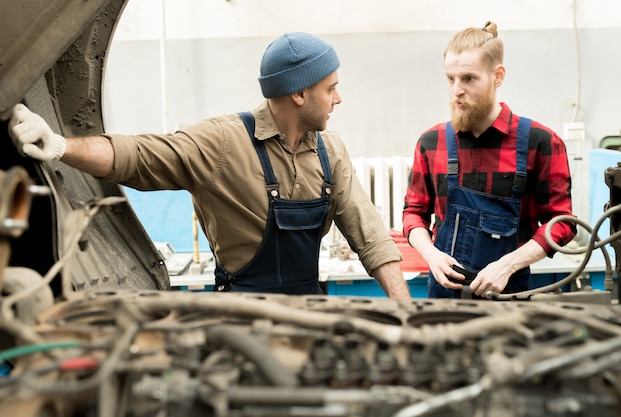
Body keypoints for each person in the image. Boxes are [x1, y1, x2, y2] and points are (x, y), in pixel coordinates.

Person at [8, 32, 411, 299]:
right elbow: (140, 155)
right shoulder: (224, 142)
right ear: (301, 93)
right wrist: (60, 144)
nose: (339, 98)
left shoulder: (331, 151)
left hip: (311, 313)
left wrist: (406, 313)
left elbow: (370, 236)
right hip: (240, 319)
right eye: (331, 88)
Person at [402, 21, 576, 299]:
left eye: (469, 79)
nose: (456, 90)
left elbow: (562, 224)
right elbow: (414, 214)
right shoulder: (431, 143)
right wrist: (431, 255)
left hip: (509, 298)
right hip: (445, 300)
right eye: (450, 78)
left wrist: (508, 265)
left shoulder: (540, 142)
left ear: (498, 76)